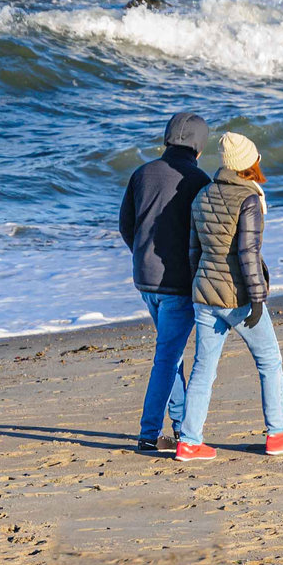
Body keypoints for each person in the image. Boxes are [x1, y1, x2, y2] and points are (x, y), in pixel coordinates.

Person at [174, 131, 283, 461]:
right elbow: (248, 253)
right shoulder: (249, 199)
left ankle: (189, 441)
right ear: (248, 163)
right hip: (238, 297)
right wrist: (258, 299)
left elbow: (195, 250)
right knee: (269, 360)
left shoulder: (203, 195)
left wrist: (199, 287)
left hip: (204, 293)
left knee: (203, 370)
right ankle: (278, 433)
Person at [118, 111, 211, 452]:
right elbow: (205, 236)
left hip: (144, 279)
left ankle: (179, 422)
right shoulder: (199, 181)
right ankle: (148, 432)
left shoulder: (141, 174)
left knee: (170, 353)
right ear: (199, 147)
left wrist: (141, 256)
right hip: (178, 283)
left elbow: (126, 225)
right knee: (167, 358)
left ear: (167, 139)